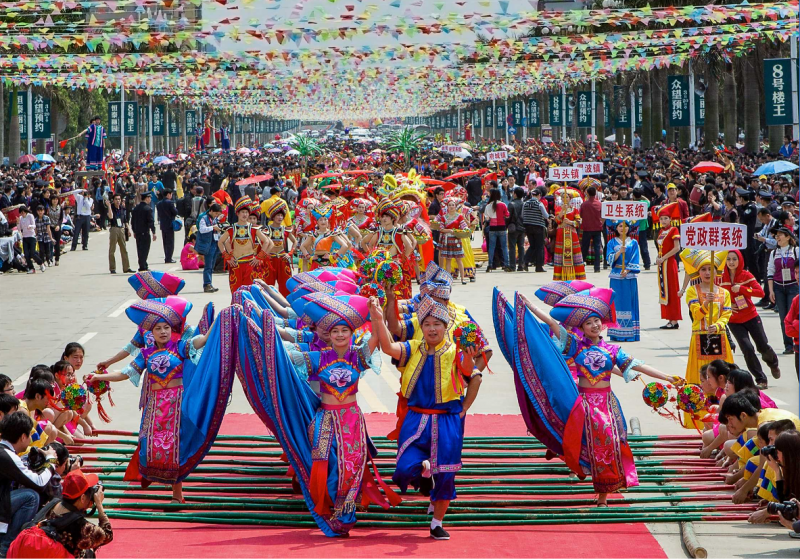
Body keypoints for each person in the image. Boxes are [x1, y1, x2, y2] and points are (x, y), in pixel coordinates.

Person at [511, 288, 678, 507]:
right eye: (588, 323)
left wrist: (667, 377)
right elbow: (553, 324)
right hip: (585, 404)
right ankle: (578, 467)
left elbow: (638, 364)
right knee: (583, 443)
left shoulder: (613, 350)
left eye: (597, 321)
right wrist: (530, 307)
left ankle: (603, 496)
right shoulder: (575, 345)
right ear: (582, 328)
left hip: (607, 404)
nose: (594, 325)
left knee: (611, 445)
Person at [372, 296, 482, 540]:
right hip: (415, 419)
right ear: (422, 327)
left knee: (446, 473)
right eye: (428, 324)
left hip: (447, 421)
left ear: (445, 327)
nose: (432, 328)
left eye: (437, 324)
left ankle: (436, 523)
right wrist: (378, 319)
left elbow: (472, 374)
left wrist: (464, 408)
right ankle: (424, 476)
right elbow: (389, 347)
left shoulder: (455, 351)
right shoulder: (412, 347)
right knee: (403, 467)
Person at [87, 297, 214, 503]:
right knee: (150, 445)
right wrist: (99, 377)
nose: (163, 332)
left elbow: (201, 341)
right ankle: (158, 479)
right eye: (158, 329)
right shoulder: (146, 354)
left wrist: (215, 326)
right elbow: (125, 373)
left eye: (166, 328)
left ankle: (177, 495)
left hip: (177, 404)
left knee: (175, 448)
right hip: (155, 406)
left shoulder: (181, 346)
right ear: (151, 333)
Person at [682, 249, 733, 429]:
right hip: (699, 339)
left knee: (722, 377)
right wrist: (705, 304)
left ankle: (723, 414)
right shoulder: (691, 291)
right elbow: (695, 315)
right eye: (703, 269)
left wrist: (718, 326)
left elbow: (727, 314)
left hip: (719, 338)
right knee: (701, 377)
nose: (706, 273)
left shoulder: (724, 293)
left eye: (710, 269)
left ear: (716, 272)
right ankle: (699, 417)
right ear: (698, 272)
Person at [721, 250, 780, 389]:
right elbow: (717, 296)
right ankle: (760, 379)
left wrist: (742, 289)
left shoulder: (746, 275)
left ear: (740, 260)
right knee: (747, 348)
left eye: (734, 259)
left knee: (762, 345)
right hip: (734, 320)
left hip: (751, 317)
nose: (731, 262)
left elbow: (760, 292)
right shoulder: (720, 277)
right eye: (728, 259)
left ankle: (773, 363)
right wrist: (727, 305)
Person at [0, 412, 56, 557]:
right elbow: (38, 483)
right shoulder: (7, 455)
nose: (31, 439)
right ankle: (6, 546)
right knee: (31, 496)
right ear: (23, 437)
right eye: (30, 435)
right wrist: (51, 462)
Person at [217, 196, 273, 294]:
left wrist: (259, 257)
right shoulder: (232, 229)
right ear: (237, 213)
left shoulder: (253, 229)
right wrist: (228, 257)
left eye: (247, 212)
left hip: (250, 264)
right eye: (242, 212)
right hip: (236, 264)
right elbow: (221, 242)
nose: (245, 214)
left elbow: (267, 241)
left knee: (250, 293)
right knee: (236, 293)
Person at [606, 221, 641, 341]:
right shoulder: (611, 242)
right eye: (620, 226)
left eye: (625, 226)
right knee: (617, 303)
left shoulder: (633, 242)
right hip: (616, 276)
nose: (623, 228)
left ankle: (630, 333)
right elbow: (609, 258)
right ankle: (617, 332)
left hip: (629, 276)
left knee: (629, 302)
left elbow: (635, 258)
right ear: (616, 228)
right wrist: (619, 252)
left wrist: (627, 270)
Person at [767, 227, 799, 355]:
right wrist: (771, 291)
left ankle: (796, 341)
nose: (777, 238)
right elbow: (770, 271)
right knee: (783, 318)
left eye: (780, 235)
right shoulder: (774, 253)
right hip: (778, 287)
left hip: (793, 286)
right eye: (776, 236)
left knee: (794, 316)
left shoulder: (796, 251)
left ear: (788, 237)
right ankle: (788, 345)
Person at [655, 202, 682, 329]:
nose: (664, 220)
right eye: (661, 218)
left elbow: (677, 248)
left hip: (670, 264)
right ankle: (669, 318)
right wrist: (658, 257)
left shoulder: (674, 230)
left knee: (672, 289)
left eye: (666, 218)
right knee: (665, 290)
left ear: (671, 219)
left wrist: (664, 258)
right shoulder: (661, 231)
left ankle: (674, 319)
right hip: (662, 264)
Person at [261, 198, 294, 296]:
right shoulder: (266, 230)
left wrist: (290, 253)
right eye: (277, 215)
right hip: (270, 260)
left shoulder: (285, 230)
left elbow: (295, 242)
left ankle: (285, 306)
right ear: (273, 217)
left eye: (281, 215)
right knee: (268, 285)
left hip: (282, 259)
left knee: (285, 285)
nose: (280, 217)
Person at [553, 188, 585, 280]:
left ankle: (576, 274)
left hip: (571, 233)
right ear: (561, 199)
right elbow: (557, 220)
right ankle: (560, 275)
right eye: (563, 197)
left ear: (570, 198)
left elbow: (578, 222)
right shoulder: (558, 208)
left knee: (573, 252)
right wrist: (563, 211)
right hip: (561, 233)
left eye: (567, 197)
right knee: (561, 252)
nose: (565, 198)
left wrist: (570, 222)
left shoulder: (574, 210)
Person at [437, 197, 469, 284]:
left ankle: (463, 278)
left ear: (455, 207)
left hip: (456, 240)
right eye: (449, 205)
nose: (451, 207)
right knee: (448, 259)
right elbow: (441, 228)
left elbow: (464, 226)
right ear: (447, 207)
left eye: (453, 205)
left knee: (459, 259)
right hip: (447, 240)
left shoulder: (459, 217)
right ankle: (448, 279)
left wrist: (466, 230)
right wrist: (449, 231)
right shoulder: (444, 217)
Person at [483, 188, 511, 273]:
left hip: (492, 228)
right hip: (502, 227)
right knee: (504, 247)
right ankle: (506, 264)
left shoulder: (488, 206)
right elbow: (507, 215)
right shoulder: (503, 204)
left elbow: (487, 217)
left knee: (491, 247)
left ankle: (490, 264)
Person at [196, 203, 222, 293]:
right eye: (215, 214)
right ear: (211, 211)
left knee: (212, 266)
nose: (216, 216)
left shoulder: (214, 219)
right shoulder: (204, 218)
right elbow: (202, 229)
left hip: (214, 243)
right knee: (208, 266)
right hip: (208, 245)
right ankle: (207, 284)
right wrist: (212, 227)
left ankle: (210, 284)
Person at [106, 192, 133, 274]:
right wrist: (109, 206)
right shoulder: (112, 208)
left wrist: (128, 229)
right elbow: (110, 217)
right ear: (113, 200)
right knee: (112, 249)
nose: (118, 201)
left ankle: (126, 267)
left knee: (124, 249)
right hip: (114, 229)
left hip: (121, 229)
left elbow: (125, 220)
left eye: (119, 199)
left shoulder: (122, 208)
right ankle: (112, 268)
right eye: (116, 199)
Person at [522, 187, 548, 272]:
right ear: (539, 195)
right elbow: (546, 216)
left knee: (532, 246)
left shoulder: (525, 203)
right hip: (538, 227)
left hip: (528, 227)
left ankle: (525, 262)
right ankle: (539, 266)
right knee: (539, 247)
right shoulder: (539, 204)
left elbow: (522, 215)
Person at [579, 186, 603, 273]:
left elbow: (580, 215)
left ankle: (581, 265)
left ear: (587, 193)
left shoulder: (584, 204)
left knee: (584, 248)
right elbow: (603, 215)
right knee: (597, 248)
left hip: (587, 228)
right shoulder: (599, 204)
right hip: (597, 228)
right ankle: (597, 267)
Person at [131, 191, 156, 272]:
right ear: (147, 198)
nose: (150, 199)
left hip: (138, 232)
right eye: (149, 198)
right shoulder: (148, 209)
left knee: (139, 249)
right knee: (145, 249)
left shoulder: (136, 208)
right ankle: (143, 266)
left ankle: (143, 264)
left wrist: (134, 231)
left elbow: (132, 221)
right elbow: (150, 221)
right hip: (145, 232)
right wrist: (154, 232)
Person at [16, 206, 43, 275]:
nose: (22, 214)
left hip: (31, 236)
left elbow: (34, 225)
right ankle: (31, 268)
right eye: (21, 213)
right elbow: (19, 229)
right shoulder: (21, 218)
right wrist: (18, 222)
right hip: (25, 237)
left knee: (32, 253)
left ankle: (41, 263)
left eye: (23, 212)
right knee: (26, 254)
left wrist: (30, 226)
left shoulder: (30, 216)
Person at [156, 189, 178, 264]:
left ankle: (166, 256)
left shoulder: (159, 204)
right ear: (168, 194)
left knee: (165, 242)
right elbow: (175, 212)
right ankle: (169, 258)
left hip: (163, 224)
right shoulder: (170, 202)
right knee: (170, 242)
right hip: (170, 224)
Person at [507, 187, 526, 272]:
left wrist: (506, 225)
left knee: (512, 247)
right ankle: (521, 265)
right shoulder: (524, 204)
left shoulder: (511, 204)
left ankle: (512, 265)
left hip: (513, 227)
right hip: (522, 227)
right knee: (521, 247)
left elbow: (508, 217)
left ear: (515, 194)